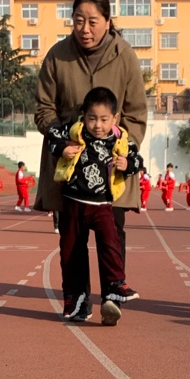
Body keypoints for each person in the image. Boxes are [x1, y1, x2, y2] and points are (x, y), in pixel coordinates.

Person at [34, 0, 147, 273]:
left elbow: (136, 113)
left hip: (111, 172)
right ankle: (77, 295)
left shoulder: (125, 56)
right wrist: (61, 141)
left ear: (107, 21)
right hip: (71, 168)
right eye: (78, 21)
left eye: (93, 21)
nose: (85, 29)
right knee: (72, 241)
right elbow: (44, 109)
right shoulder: (57, 56)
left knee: (112, 238)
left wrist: (122, 149)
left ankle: (114, 290)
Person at [48, 84, 142, 326]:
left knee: (111, 244)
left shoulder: (120, 140)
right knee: (70, 252)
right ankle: (75, 300)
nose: (97, 125)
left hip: (103, 205)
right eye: (92, 118)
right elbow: (52, 136)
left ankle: (116, 286)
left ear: (115, 118)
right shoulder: (75, 131)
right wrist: (63, 148)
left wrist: (127, 165)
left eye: (103, 119)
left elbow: (137, 160)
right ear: (83, 116)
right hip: (73, 203)